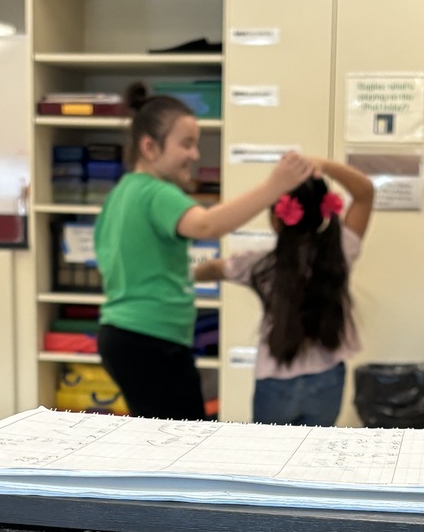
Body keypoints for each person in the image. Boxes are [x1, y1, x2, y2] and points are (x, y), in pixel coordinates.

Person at [94, 83, 313, 420]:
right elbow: (206, 226)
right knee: (183, 444)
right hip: (150, 340)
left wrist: (188, 275)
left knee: (164, 439)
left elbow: (134, 261)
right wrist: (275, 186)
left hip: (124, 336)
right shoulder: (156, 193)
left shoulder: (121, 194)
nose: (195, 155)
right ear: (149, 147)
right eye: (187, 144)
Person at [194, 157, 374, 425]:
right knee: (315, 459)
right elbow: (365, 193)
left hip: (275, 382)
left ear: (276, 219)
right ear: (325, 211)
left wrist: (185, 274)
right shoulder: (341, 253)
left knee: (270, 461)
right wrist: (322, 165)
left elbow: (212, 269)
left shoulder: (259, 265)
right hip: (328, 379)